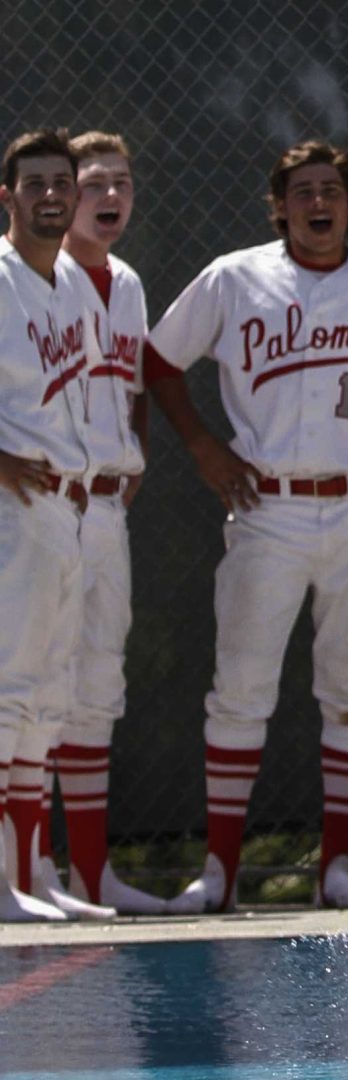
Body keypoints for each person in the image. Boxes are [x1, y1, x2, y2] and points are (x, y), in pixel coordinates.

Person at [145, 140, 348, 912]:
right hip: (265, 505)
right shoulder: (235, 277)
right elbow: (157, 359)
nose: (317, 203)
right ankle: (219, 874)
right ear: (279, 206)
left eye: (331, 190)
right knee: (241, 687)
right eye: (301, 192)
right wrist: (201, 445)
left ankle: (337, 870)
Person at [31, 131, 165, 916]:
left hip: (107, 505)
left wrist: (134, 454)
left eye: (122, 180)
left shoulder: (130, 283)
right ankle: (27, 871)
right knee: (32, 682)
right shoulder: (30, 280)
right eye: (93, 183)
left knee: (95, 687)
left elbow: (137, 383)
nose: (108, 195)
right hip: (46, 500)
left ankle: (90, 873)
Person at [0, 128, 96, 921]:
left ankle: (31, 877)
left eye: (60, 180)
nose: (50, 194)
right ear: (8, 196)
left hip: (65, 504)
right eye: (33, 182)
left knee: (46, 695)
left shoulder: (71, 281)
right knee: (7, 690)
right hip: (13, 502)